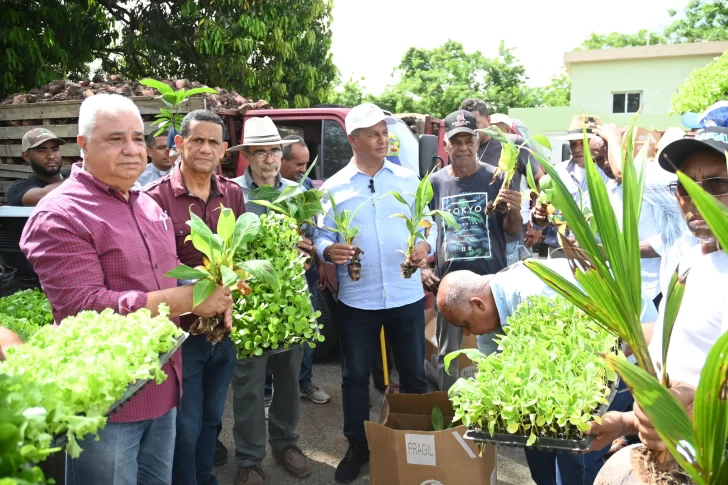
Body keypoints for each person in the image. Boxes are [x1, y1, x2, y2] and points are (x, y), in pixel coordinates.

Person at [19, 94, 233, 485]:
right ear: (83, 146)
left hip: (165, 386)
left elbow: (167, 281)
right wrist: (186, 300)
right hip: (111, 404)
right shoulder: (61, 213)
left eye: (138, 138)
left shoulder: (148, 206)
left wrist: (213, 295)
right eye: (116, 139)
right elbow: (81, 310)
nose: (133, 150)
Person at [437, 260, 658, 485]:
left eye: (464, 325)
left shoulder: (538, 294)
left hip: (627, 345)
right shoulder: (489, 307)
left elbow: (601, 347)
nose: (467, 332)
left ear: (477, 304)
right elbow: (495, 371)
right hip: (572, 361)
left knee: (578, 450)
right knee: (536, 444)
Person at [585, 126, 728, 456]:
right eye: (685, 187)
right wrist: (624, 421)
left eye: (716, 184)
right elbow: (674, 339)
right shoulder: (692, 259)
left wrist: (699, 411)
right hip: (679, 456)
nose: (696, 199)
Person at [313, 103, 434, 483]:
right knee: (354, 377)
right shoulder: (333, 188)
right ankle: (357, 446)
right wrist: (327, 252)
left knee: (414, 373)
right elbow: (321, 236)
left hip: (405, 293)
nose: (384, 139)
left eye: (385, 132)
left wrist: (425, 246)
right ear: (353, 139)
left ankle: (416, 442)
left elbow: (427, 222)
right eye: (374, 134)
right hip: (358, 299)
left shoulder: (407, 179)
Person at [144, 110, 242, 485]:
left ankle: (204, 478)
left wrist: (232, 291)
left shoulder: (232, 193)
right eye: (196, 140)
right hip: (180, 335)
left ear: (224, 150)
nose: (205, 148)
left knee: (212, 419)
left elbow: (238, 255)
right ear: (179, 145)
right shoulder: (155, 197)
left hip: (223, 331)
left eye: (213, 141)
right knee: (183, 427)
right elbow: (156, 268)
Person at [228, 117, 312, 485]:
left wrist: (306, 250)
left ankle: (286, 442)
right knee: (247, 383)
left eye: (274, 150)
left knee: (289, 378)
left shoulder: (298, 192)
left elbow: (311, 237)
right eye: (260, 152)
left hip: (290, 302)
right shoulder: (231, 193)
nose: (269, 159)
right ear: (246, 155)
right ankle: (249, 458)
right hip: (249, 303)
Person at [420, 109, 522, 391]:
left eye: (469, 140)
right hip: (449, 290)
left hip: (491, 289)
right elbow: (423, 232)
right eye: (457, 141)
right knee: (446, 358)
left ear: (478, 142)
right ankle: (450, 416)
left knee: (498, 355)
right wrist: (424, 267)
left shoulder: (497, 178)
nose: (463, 147)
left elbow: (512, 230)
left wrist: (514, 210)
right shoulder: (435, 183)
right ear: (446, 145)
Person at [265, 133, 332, 406]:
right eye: (297, 163)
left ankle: (304, 382)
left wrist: (320, 261)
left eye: (306, 164)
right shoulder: (263, 195)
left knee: (306, 329)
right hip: (273, 275)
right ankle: (268, 391)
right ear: (280, 159)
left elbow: (315, 233)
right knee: (270, 331)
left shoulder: (303, 192)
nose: (303, 169)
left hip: (305, 272)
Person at [459, 98, 542, 263]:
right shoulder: (462, 150)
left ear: (489, 121)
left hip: (506, 240)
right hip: (474, 240)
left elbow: (540, 180)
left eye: (477, 123)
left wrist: (538, 221)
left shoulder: (512, 144)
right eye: (467, 125)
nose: (472, 130)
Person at [530, 114, 611, 256]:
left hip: (598, 254)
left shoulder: (610, 175)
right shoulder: (557, 173)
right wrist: (539, 217)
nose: (577, 148)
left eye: (584, 142)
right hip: (559, 253)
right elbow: (540, 219)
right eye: (573, 143)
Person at [7, 128, 69, 206]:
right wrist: (81, 179)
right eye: (42, 151)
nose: (51, 156)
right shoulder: (18, 189)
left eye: (55, 149)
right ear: (26, 156)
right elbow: (46, 197)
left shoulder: (71, 174)